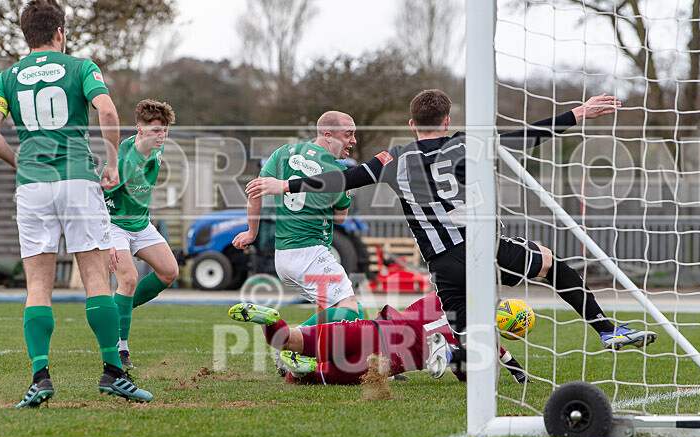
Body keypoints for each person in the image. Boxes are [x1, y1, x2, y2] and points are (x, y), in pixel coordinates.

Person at [245, 89, 656, 378]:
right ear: (446, 121)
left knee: (467, 335)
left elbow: (345, 179)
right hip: (482, 250)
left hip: (442, 264)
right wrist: (579, 113)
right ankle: (606, 329)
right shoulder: (468, 145)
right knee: (553, 265)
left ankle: (454, 350)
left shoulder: (393, 159)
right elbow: (528, 135)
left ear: (411, 124)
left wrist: (287, 186)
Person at [0, 0, 152, 406]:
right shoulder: (81, 67)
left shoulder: (5, 79)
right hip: (77, 179)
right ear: (60, 33)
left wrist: (19, 160)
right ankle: (113, 372)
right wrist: (112, 164)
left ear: (27, 36)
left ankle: (40, 377)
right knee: (96, 278)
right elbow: (107, 110)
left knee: (38, 285)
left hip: (33, 187)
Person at [232, 111, 364, 326]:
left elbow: (255, 190)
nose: (353, 141)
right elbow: (340, 218)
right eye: (348, 135)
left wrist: (251, 232)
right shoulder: (337, 172)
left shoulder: (285, 152)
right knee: (351, 312)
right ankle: (285, 337)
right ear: (328, 135)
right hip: (310, 251)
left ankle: (315, 356)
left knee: (332, 309)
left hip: (283, 255)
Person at [228, 292, 527, 385]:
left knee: (287, 338)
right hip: (391, 358)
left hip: (374, 328)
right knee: (300, 380)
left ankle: (272, 320)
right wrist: (517, 370)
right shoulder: (477, 334)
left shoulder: (441, 294)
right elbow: (467, 375)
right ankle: (301, 369)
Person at [105, 100, 179, 369]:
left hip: (141, 224)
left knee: (169, 272)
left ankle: (116, 311)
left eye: (165, 131)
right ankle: (120, 349)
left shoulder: (156, 149)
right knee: (129, 279)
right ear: (139, 129)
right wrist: (106, 240)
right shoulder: (125, 159)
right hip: (114, 225)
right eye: (156, 130)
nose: (161, 136)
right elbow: (98, 196)